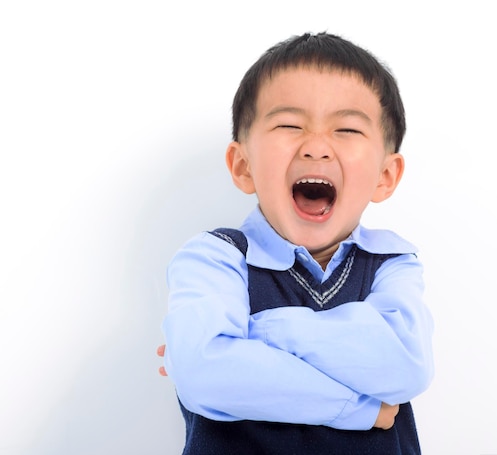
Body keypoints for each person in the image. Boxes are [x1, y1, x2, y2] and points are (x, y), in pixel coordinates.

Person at [159, 31, 435, 454]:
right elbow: (205, 375)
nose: (317, 147)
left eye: (346, 129)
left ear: (385, 176)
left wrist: (249, 336)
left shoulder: (393, 262)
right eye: (289, 125)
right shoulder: (214, 257)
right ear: (243, 165)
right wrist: (360, 409)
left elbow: (404, 364)